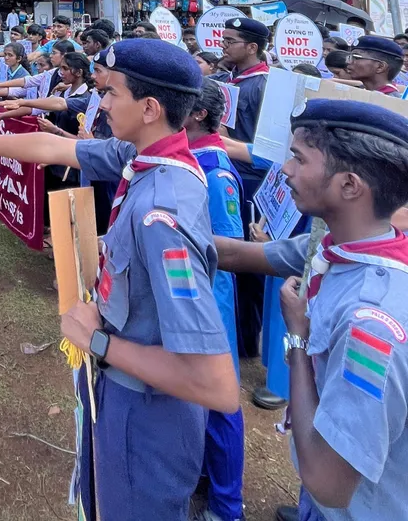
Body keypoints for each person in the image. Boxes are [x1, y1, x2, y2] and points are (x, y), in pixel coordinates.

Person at [0, 40, 239, 520]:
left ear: (150, 108)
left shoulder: (162, 212)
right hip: (120, 394)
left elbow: (217, 386)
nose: (101, 104)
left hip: (147, 415)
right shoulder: (146, 156)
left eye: (111, 94)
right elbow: (52, 147)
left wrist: (99, 343)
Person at [214, 99, 408, 521]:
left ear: (350, 185)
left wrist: (298, 338)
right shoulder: (337, 246)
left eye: (300, 159)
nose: (285, 169)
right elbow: (239, 253)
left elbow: (329, 482)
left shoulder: (370, 324)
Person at [183, 80, 246, 521]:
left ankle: (227, 507)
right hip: (191, 294)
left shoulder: (215, 169)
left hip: (211, 296)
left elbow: (229, 244)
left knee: (221, 402)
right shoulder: (189, 156)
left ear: (199, 115)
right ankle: (204, 476)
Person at [221, 17, 271, 361]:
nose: (222, 45)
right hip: (229, 177)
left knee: (248, 262)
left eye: (230, 40)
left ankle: (248, 342)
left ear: (251, 47)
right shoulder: (230, 79)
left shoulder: (263, 84)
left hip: (251, 183)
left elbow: (266, 146)